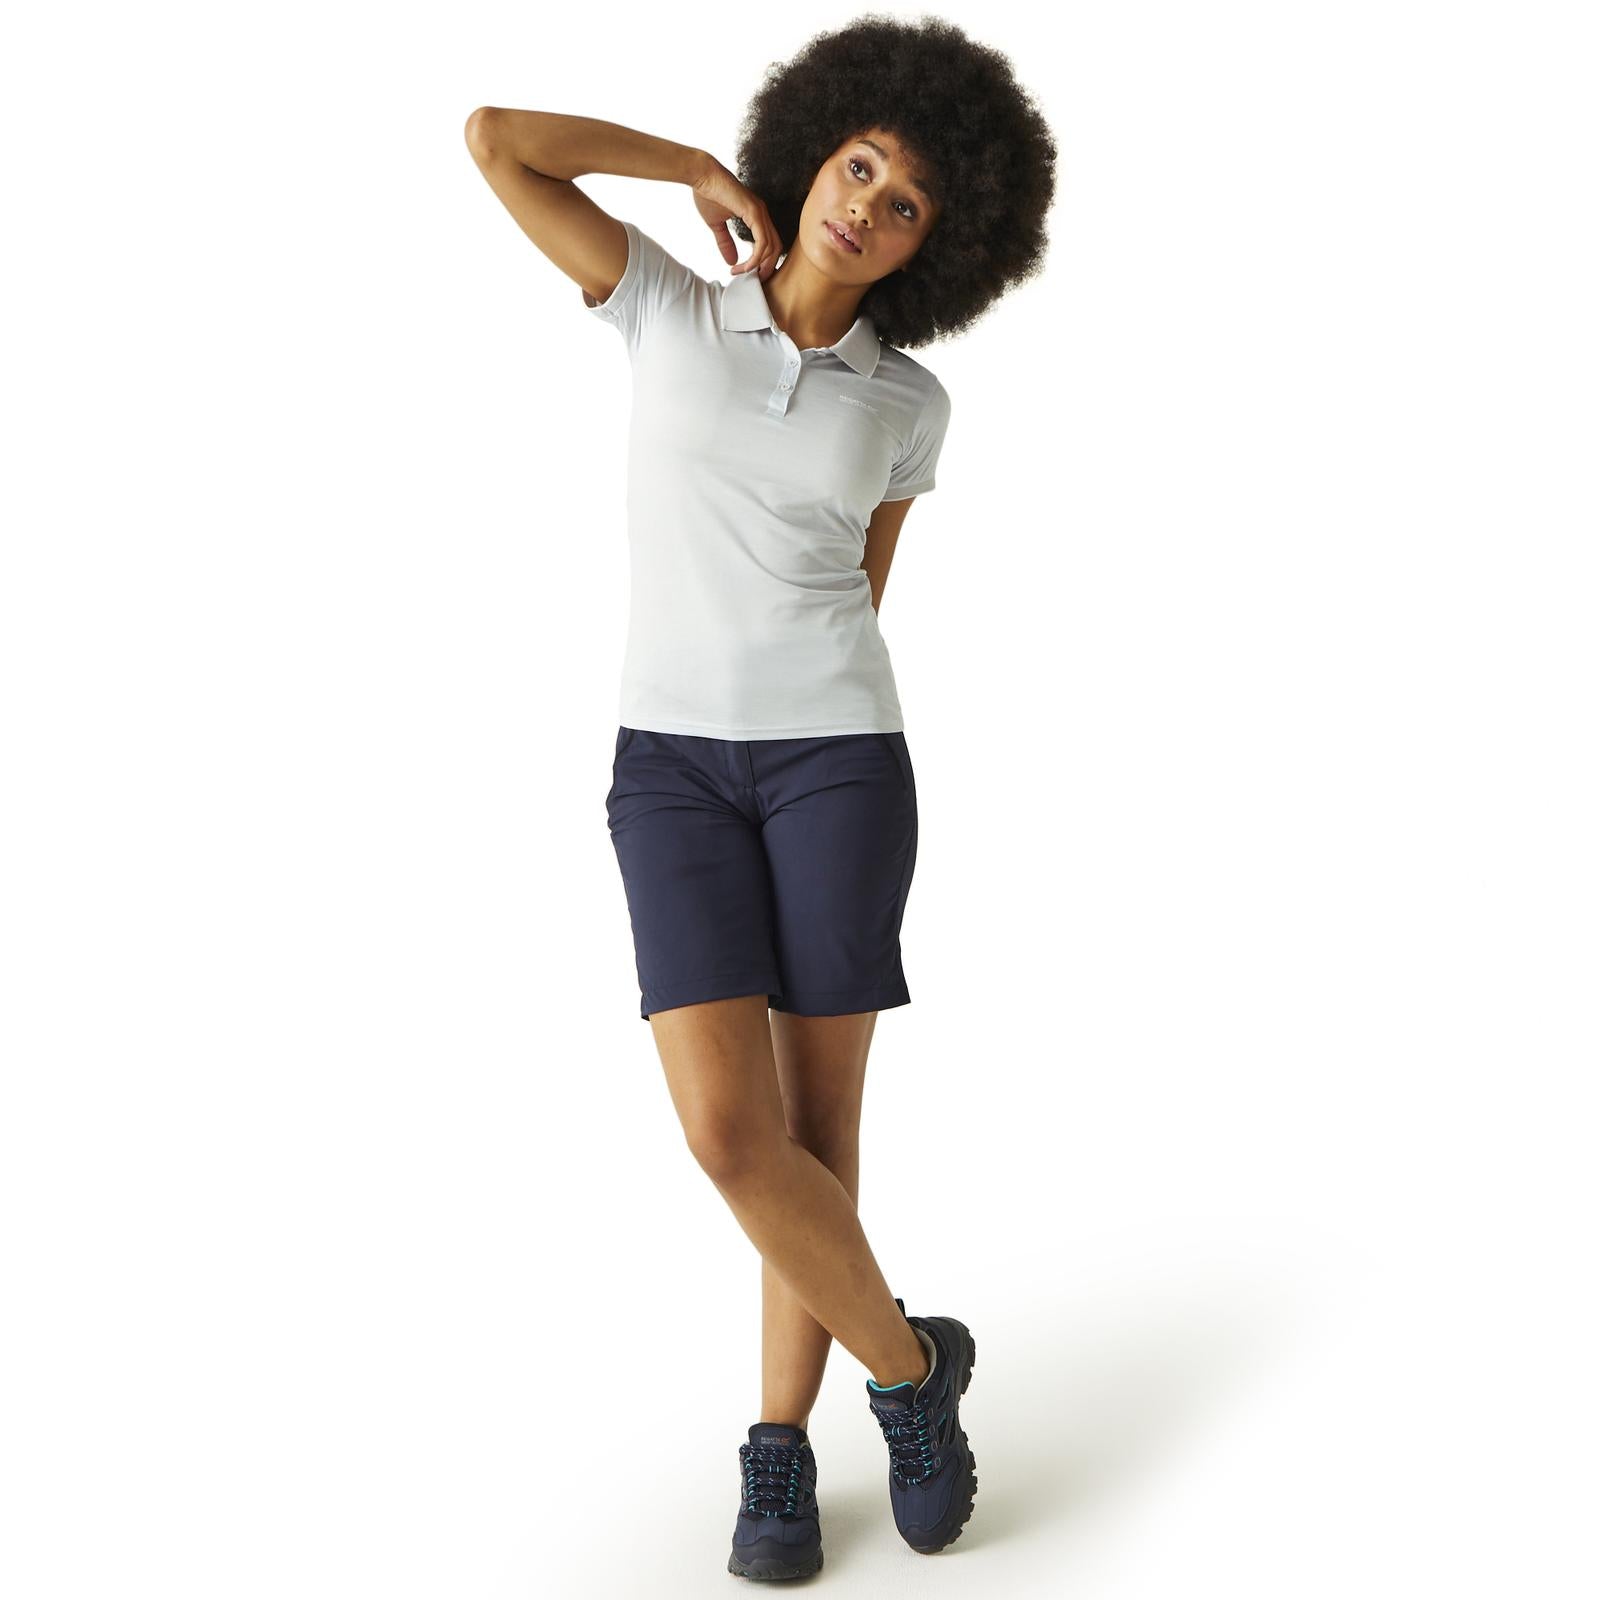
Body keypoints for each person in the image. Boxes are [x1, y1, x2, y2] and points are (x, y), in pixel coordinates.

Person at [466, 15, 1056, 1577]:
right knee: (730, 1134)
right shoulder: (665, 304)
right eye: (860, 165)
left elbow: (861, 589)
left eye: (909, 203)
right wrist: (689, 169)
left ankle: (779, 1453)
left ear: (937, 247)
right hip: (667, 770)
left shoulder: (908, 407)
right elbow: (497, 140)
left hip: (837, 764)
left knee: (815, 1125)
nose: (869, 205)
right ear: (813, 153)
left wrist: (818, 736)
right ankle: (912, 1371)